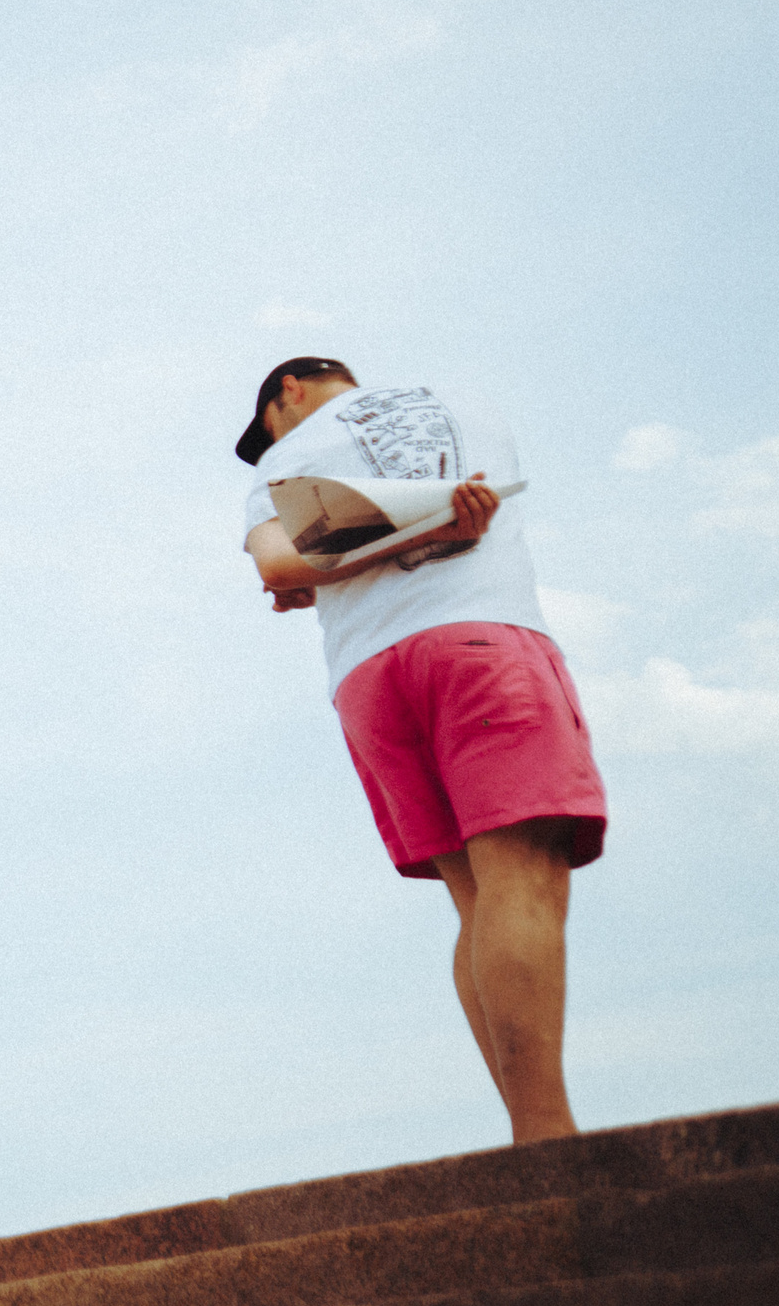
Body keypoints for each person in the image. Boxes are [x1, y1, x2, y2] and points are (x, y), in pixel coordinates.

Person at [237, 358, 606, 1146]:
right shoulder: (463, 397)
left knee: (474, 900)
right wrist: (440, 526)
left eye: (268, 420)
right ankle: (548, 1137)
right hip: (479, 637)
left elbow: (278, 564)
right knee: (524, 877)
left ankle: (529, 1126)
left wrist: (334, 561)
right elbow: (485, 500)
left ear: (290, 390)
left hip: (368, 677)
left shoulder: (283, 461)